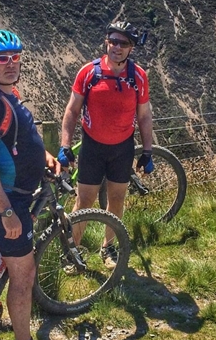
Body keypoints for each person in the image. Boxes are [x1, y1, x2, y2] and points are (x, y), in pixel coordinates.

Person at [0, 29, 65, 340]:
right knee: (24, 274)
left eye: (15, 57)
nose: (10, 64)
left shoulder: (7, 95)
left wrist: (46, 156)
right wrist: (7, 213)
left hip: (11, 198)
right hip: (7, 201)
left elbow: (21, 141)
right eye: (1, 59)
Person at [58, 21, 152, 266]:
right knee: (84, 200)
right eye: (113, 41)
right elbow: (71, 111)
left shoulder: (138, 76)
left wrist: (148, 150)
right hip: (93, 146)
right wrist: (65, 145)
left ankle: (107, 248)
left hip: (122, 147)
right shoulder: (89, 72)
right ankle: (72, 252)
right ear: (106, 41)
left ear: (131, 47)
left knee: (117, 199)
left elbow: (144, 116)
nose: (117, 47)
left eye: (123, 43)